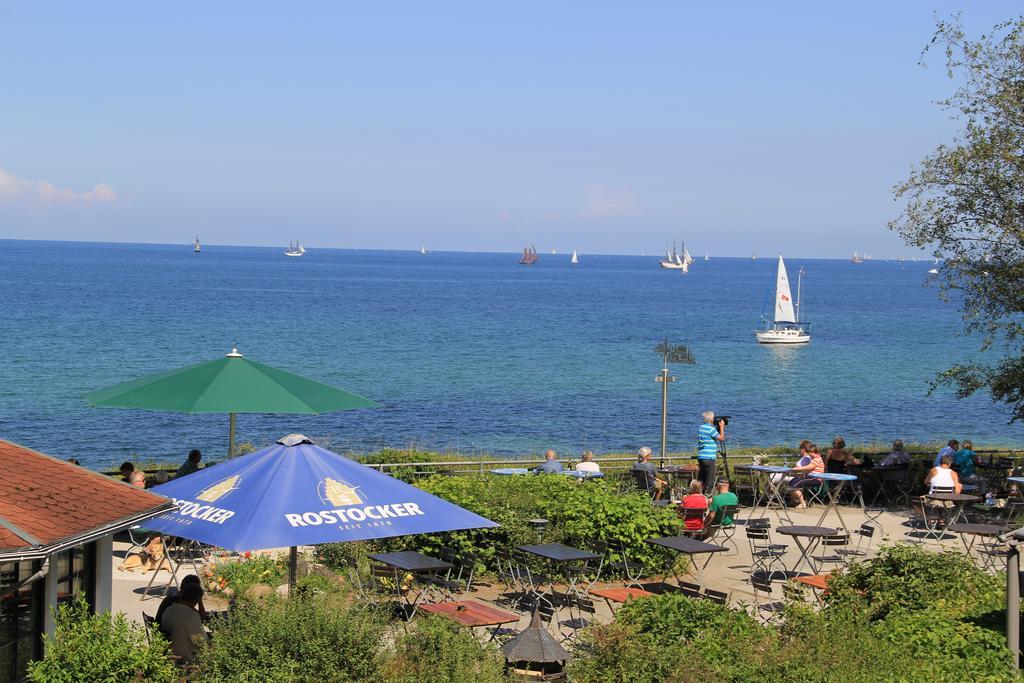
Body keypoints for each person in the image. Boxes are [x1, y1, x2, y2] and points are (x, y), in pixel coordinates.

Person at [159, 582, 205, 663]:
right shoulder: (192, 616)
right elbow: (200, 642)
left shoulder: (168, 610)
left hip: (169, 654)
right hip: (187, 658)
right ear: (197, 600)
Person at [789, 443, 825, 508]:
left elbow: (810, 467)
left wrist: (798, 468)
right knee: (792, 481)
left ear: (812, 452)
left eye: (809, 453)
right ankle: (794, 501)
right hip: (811, 477)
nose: (808, 454)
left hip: (816, 479)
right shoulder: (815, 459)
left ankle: (802, 503)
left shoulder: (817, 459)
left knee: (794, 484)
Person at [697, 411, 725, 494]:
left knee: (702, 478)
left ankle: (699, 494)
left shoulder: (701, 427)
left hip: (701, 457)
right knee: (710, 479)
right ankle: (708, 495)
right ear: (712, 420)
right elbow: (721, 438)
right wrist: (722, 427)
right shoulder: (711, 429)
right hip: (709, 457)